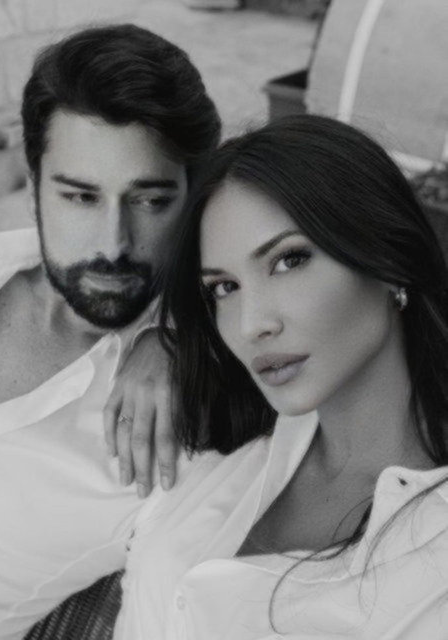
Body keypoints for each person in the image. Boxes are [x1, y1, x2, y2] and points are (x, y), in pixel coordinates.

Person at [0, 24, 220, 639]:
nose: (113, 244)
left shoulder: (163, 438)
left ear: (194, 201)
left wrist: (177, 330)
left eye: (148, 200)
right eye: (81, 197)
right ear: (33, 183)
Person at [123, 114, 448, 639]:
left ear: (388, 260)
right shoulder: (218, 439)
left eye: (289, 260)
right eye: (224, 288)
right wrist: (157, 340)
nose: (251, 326)